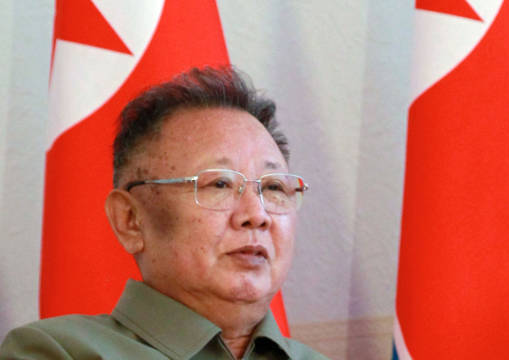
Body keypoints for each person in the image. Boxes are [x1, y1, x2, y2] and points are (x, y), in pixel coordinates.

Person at [0, 66, 327, 360]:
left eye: (272, 188)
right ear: (129, 220)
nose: (257, 215)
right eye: (219, 184)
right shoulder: (55, 351)